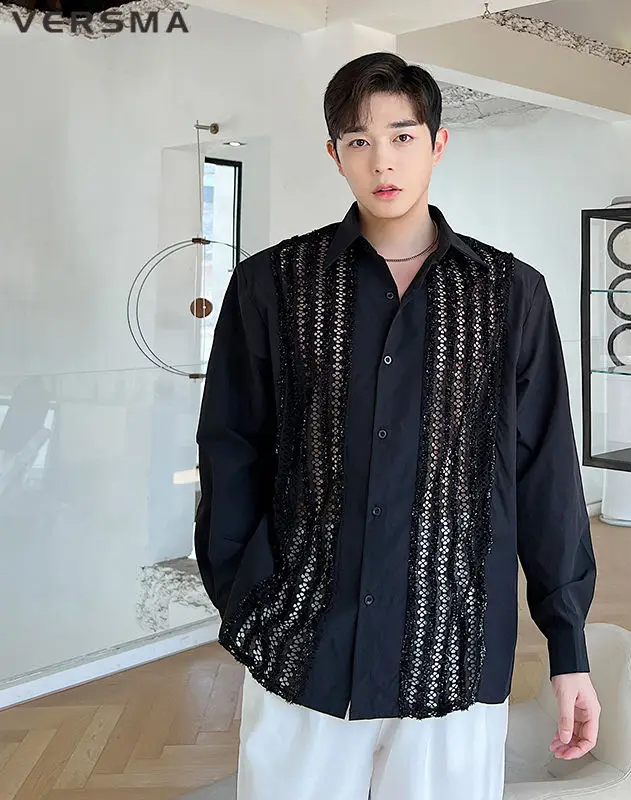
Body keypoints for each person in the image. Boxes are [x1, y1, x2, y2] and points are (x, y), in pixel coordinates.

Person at [194, 51, 599, 800]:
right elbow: (231, 449)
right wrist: (244, 595)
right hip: (302, 642)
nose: (382, 160)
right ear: (335, 155)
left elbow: (546, 471)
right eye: (359, 140)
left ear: (438, 144)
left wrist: (567, 646)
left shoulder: (510, 294)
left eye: (403, 136)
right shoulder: (272, 285)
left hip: (454, 645)